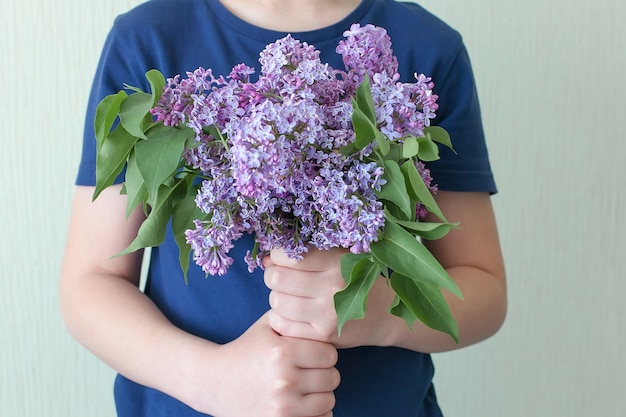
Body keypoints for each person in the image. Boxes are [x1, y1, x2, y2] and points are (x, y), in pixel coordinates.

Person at [60, 0, 507, 416]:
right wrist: (211, 379)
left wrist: (376, 312)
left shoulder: (427, 46)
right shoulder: (150, 39)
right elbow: (90, 283)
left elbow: (484, 291)